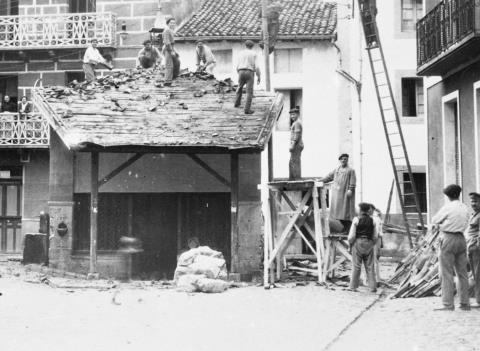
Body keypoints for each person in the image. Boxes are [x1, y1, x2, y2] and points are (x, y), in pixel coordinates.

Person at [431, 184, 470, 311]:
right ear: (458, 194)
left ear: (447, 196)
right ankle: (464, 303)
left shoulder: (448, 207)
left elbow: (435, 220)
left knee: (446, 273)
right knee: (462, 273)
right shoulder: (464, 207)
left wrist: (444, 224)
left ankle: (448, 304)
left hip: (448, 238)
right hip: (461, 239)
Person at [348, 202, 378, 292]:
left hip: (358, 242)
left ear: (360, 210)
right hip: (369, 243)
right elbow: (375, 236)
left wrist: (351, 243)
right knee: (370, 266)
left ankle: (353, 287)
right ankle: (373, 287)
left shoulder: (356, 219)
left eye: (358, 208)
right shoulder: (373, 220)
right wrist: (372, 243)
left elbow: (351, 236)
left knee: (356, 265)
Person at [323, 154, 357, 232]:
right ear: (340, 160)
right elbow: (329, 177)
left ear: (347, 160)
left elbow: (353, 180)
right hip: (337, 194)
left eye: (345, 159)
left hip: (345, 194)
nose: (343, 160)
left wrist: (350, 189)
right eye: (342, 159)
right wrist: (320, 180)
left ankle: (348, 228)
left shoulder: (351, 170)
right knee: (337, 212)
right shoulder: (337, 169)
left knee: (345, 212)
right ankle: (346, 228)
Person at [234, 40, 261, 115]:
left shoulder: (240, 53)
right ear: (252, 46)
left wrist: (239, 73)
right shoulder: (254, 54)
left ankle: (237, 103)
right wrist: (259, 76)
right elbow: (257, 67)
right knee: (249, 92)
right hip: (249, 71)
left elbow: (237, 65)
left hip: (240, 71)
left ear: (245, 45)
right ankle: (247, 109)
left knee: (239, 87)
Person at [466, 191, 480, 308]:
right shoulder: (473, 215)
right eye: (471, 201)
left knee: (478, 274)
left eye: (475, 201)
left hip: (477, 248)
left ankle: (479, 301)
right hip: (471, 247)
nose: (473, 203)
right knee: (475, 274)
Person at [162, 17, 181, 86]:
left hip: (171, 48)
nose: (173, 24)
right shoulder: (167, 30)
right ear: (168, 24)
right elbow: (167, 42)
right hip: (167, 48)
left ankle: (172, 78)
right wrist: (171, 51)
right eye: (171, 23)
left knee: (176, 63)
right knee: (169, 65)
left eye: (174, 23)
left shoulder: (171, 31)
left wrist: (175, 51)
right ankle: (167, 81)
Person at [369, 204, 383, 283]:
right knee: (375, 260)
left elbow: (376, 232)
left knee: (373, 260)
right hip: (377, 239)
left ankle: (374, 280)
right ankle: (377, 279)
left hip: (374, 239)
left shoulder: (375, 219)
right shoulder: (377, 218)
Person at [289, 107, 303, 180]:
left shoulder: (297, 123)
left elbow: (297, 135)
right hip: (296, 145)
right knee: (292, 162)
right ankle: (293, 178)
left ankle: (297, 178)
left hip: (296, 145)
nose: (292, 116)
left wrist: (292, 145)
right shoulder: (295, 123)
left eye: (294, 114)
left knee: (295, 162)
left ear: (298, 114)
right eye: (291, 115)